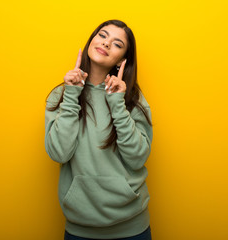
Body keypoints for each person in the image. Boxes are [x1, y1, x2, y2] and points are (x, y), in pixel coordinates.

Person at [44, 19, 153, 240]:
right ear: (92, 40)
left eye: (117, 43)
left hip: (132, 227)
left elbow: (137, 158)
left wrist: (117, 103)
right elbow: (59, 153)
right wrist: (72, 94)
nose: (106, 43)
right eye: (102, 35)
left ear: (122, 59)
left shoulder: (132, 99)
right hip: (80, 228)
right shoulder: (61, 95)